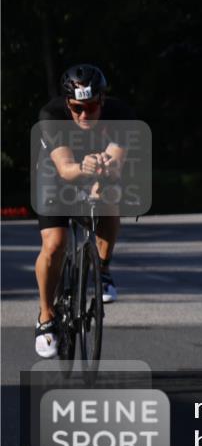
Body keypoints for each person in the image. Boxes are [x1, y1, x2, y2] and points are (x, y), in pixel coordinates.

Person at [34, 64, 135, 358]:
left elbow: (116, 162)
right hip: (56, 173)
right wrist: (83, 168)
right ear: (68, 104)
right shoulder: (52, 116)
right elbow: (65, 169)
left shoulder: (120, 115)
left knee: (110, 197)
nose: (83, 116)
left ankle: (102, 270)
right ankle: (45, 315)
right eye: (77, 108)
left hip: (99, 168)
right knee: (55, 243)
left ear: (102, 100)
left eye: (90, 107)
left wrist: (102, 177)